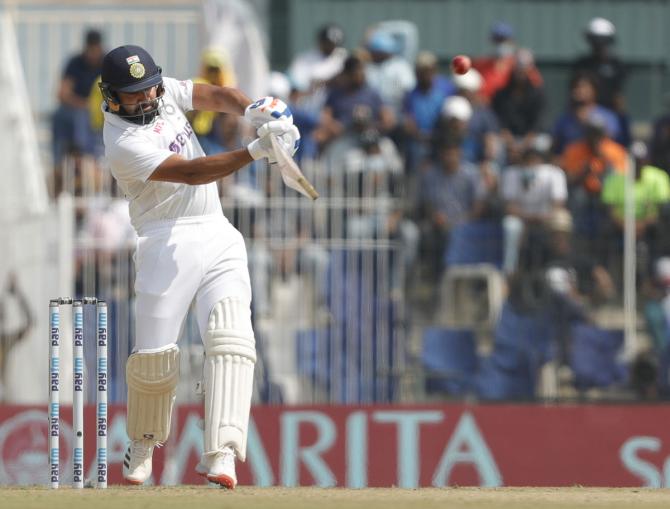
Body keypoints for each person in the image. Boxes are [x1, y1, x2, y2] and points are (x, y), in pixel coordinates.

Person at [98, 44, 299, 488]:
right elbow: (192, 172)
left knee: (232, 340)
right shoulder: (122, 142)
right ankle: (144, 444)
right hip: (165, 240)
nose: (146, 99)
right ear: (111, 96)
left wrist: (257, 108)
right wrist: (255, 151)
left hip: (217, 229)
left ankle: (222, 453)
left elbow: (214, 95)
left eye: (148, 89)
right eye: (133, 95)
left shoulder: (160, 90)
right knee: (155, 360)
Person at [52, 29, 105, 168]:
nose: (93, 53)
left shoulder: (107, 63)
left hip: (101, 111)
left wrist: (92, 106)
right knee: (60, 116)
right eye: (90, 49)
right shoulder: (75, 62)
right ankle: (59, 164)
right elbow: (62, 94)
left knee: (82, 118)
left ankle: (85, 160)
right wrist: (85, 104)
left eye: (96, 49)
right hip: (76, 109)